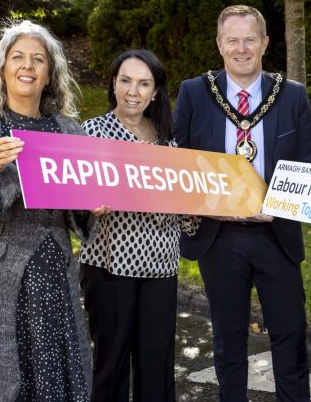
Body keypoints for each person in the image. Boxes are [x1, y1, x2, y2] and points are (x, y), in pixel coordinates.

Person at [0, 20, 104, 401]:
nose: (27, 66)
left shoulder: (69, 131)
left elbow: (78, 212)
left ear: (49, 74)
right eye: (18, 57)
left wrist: (92, 208)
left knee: (51, 384)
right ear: (3, 67)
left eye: (38, 60)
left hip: (52, 280)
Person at [174, 5, 311, 401]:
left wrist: (284, 204)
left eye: (250, 39)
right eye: (232, 40)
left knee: (290, 336)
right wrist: (205, 205)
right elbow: (178, 161)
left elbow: (307, 164)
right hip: (219, 235)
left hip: (276, 233)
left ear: (265, 43)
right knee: (228, 339)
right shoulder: (194, 92)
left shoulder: (290, 95)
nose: (242, 49)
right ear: (220, 45)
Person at [79, 49, 199, 402]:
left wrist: (201, 206)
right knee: (111, 364)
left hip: (161, 268)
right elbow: (71, 204)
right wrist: (87, 207)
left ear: (156, 91)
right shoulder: (92, 133)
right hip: (108, 265)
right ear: (113, 85)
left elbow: (184, 216)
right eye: (126, 81)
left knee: (157, 366)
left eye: (144, 83)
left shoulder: (169, 142)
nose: (134, 91)